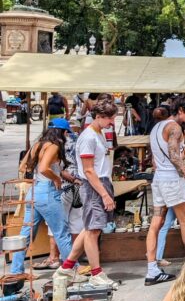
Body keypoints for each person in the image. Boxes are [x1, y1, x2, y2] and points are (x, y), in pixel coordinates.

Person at [53, 97, 119, 289]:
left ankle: (66, 268)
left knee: (91, 227)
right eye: (109, 119)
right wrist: (104, 194)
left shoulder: (97, 133)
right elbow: (89, 170)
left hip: (100, 183)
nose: (112, 123)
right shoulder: (88, 137)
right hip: (93, 185)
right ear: (99, 116)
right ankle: (96, 273)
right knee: (93, 230)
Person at [10, 119, 76, 277]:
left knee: (26, 234)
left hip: (34, 190)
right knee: (61, 232)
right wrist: (56, 179)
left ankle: (16, 271)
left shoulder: (38, 144)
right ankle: (71, 268)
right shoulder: (53, 146)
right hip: (47, 192)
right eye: (66, 133)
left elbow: (23, 166)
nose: (67, 136)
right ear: (62, 132)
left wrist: (65, 177)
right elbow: (44, 167)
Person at [146, 96, 185, 285]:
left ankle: (152, 269)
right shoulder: (174, 128)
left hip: (159, 178)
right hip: (171, 179)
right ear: (180, 111)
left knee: (156, 224)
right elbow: (175, 156)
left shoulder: (156, 128)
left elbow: (154, 159)